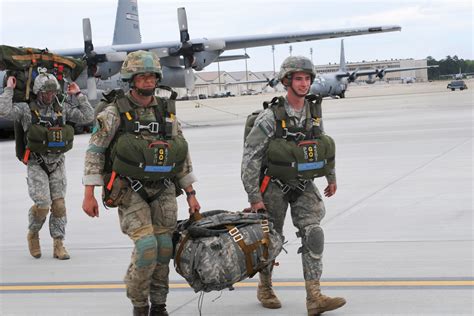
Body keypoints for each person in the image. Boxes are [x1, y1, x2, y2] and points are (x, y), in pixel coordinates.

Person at [81, 50, 200, 316]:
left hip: (165, 189)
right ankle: (138, 303)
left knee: (164, 248)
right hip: (128, 189)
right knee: (147, 247)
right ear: (131, 79)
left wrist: (190, 192)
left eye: (151, 76)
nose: (147, 81)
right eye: (141, 76)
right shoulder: (114, 112)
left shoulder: (167, 111)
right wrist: (89, 192)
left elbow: (181, 153)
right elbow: (95, 150)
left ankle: (159, 305)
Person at [241, 56, 346, 315]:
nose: (303, 83)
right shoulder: (270, 116)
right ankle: (265, 287)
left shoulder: (313, 111)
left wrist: (330, 177)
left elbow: (321, 148)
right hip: (273, 186)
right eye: (298, 78)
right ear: (287, 81)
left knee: (314, 234)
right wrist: (254, 197)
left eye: (307, 78)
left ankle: (314, 297)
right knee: (270, 241)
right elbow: (250, 157)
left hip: (303, 184)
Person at [0, 71, 94, 260]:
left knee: (59, 206)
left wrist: (78, 94)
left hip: (57, 162)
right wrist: (8, 89)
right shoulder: (26, 110)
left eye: (52, 92)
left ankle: (58, 244)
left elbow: (88, 116)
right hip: (37, 163)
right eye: (46, 92)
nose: (50, 96)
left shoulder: (62, 108)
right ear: (38, 92)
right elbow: (3, 111)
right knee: (43, 205)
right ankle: (33, 233)